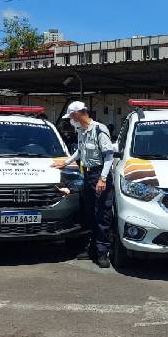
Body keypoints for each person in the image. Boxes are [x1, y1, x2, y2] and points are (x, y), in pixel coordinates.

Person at [52, 101, 115, 268]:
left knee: (102, 215)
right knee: (90, 214)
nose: (71, 119)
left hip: (99, 174)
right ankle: (93, 248)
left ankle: (102, 252)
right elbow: (80, 151)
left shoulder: (99, 130)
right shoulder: (81, 130)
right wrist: (65, 163)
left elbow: (109, 156)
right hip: (87, 175)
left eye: (72, 116)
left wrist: (102, 178)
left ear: (79, 113)